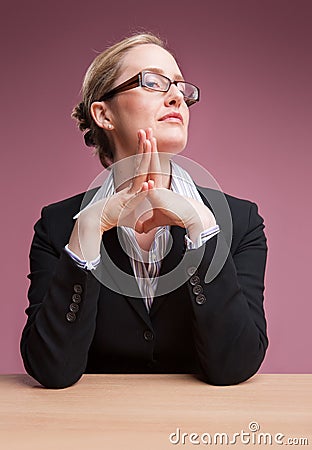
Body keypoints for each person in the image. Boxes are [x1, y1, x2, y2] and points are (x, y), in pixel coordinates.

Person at [20, 33, 268, 389]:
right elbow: (51, 371)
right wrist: (88, 230)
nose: (176, 97)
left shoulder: (240, 222)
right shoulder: (58, 226)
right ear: (104, 114)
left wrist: (202, 229)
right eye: (153, 82)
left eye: (181, 88)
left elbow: (236, 366)